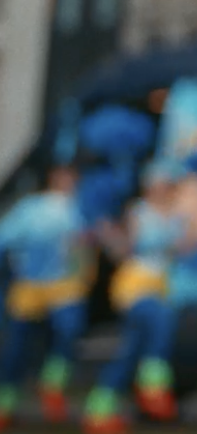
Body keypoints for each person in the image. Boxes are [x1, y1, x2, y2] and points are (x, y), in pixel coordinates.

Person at [84, 160, 190, 433]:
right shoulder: (138, 212)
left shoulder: (177, 214)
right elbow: (124, 248)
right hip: (135, 284)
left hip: (159, 286)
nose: (164, 189)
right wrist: (106, 233)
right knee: (162, 319)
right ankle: (153, 386)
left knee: (131, 351)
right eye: (162, 184)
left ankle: (99, 409)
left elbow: (187, 244)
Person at [0, 165, 94, 428]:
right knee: (18, 346)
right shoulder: (32, 207)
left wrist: (82, 273)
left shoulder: (79, 207)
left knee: (69, 332)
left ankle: (52, 385)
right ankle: (5, 401)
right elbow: (5, 239)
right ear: (53, 178)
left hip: (64, 285)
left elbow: (84, 246)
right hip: (30, 285)